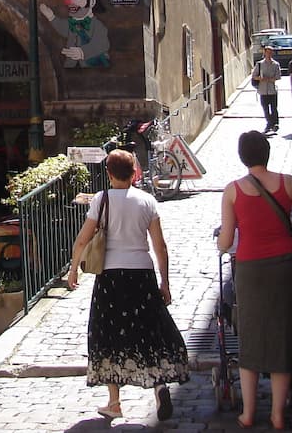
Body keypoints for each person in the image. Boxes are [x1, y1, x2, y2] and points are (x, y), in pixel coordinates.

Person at [67, 149, 189, 421]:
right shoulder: (146, 201)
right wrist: (165, 281)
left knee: (108, 333)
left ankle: (114, 401)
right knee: (149, 329)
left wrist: (74, 268)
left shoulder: (102, 200)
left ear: (109, 174)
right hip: (142, 274)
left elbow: (83, 239)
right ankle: (159, 386)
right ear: (134, 173)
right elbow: (160, 246)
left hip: (111, 276)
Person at [218, 130, 292, 431]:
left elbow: (225, 241)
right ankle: (277, 414)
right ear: (267, 152)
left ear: (242, 157)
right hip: (285, 265)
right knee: (282, 335)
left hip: (250, 268)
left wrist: (221, 244)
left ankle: (248, 413)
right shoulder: (287, 183)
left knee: (251, 335)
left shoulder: (232, 190)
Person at [40, 0, 111, 67]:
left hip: (92, 68)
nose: (71, 1)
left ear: (92, 2)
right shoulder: (72, 23)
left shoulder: (97, 25)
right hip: (72, 68)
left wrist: (82, 52)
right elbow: (63, 28)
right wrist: (51, 17)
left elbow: (103, 43)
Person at [252, 46, 282, 132]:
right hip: (263, 90)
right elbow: (254, 76)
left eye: (270, 52)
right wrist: (260, 79)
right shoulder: (259, 64)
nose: (269, 54)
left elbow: (278, 76)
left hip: (272, 90)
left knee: (274, 108)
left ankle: (275, 124)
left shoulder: (276, 64)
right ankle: (269, 123)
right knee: (265, 109)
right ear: (264, 53)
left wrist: (270, 79)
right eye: (267, 52)